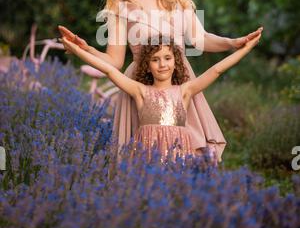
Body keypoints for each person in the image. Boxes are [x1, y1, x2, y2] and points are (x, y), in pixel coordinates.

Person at [58, 0, 263, 166]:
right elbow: (114, 62)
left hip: (180, 80)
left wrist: (232, 43)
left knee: (189, 155)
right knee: (144, 160)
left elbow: (199, 40)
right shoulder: (120, 3)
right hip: (143, 85)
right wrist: (84, 48)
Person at [60, 30, 262, 167]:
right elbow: (108, 70)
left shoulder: (185, 91)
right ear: (147, 65)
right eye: (155, 60)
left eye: (167, 58)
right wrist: (78, 50)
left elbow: (217, 70)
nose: (162, 64)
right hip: (147, 161)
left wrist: (245, 49)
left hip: (179, 159)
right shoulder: (140, 91)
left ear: (176, 61)